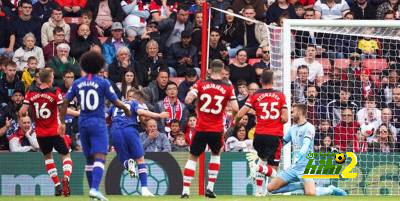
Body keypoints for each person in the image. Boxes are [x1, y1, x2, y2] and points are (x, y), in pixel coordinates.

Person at [59, 51, 131, 201]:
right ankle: (94, 189)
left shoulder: (77, 83)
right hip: (97, 122)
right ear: (99, 66)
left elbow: (65, 102)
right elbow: (116, 101)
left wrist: (61, 122)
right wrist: (125, 108)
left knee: (89, 159)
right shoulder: (103, 82)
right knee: (100, 155)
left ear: (84, 65)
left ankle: (93, 194)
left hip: (83, 122)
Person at [249, 104, 347, 196]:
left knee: (311, 194)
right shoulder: (292, 128)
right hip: (294, 168)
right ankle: (300, 185)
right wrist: (268, 149)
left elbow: (306, 144)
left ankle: (330, 189)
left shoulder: (309, 127)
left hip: (306, 167)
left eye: (293, 112)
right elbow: (282, 143)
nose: (291, 115)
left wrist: (298, 156)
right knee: (270, 188)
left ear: (300, 113)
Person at [181, 59, 239, 198]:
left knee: (193, 157)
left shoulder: (201, 83)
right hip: (217, 129)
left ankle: (185, 191)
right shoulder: (228, 87)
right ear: (222, 70)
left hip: (201, 128)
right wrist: (232, 122)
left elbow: (188, 100)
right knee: (216, 154)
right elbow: (236, 108)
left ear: (210, 70)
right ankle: (210, 188)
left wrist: (194, 94)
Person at [19, 68, 73, 197]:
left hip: (41, 134)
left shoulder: (31, 92)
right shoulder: (55, 91)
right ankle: (66, 178)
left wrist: (26, 119)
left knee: (48, 157)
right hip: (55, 131)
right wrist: (63, 122)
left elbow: (22, 111)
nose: (53, 78)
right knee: (66, 155)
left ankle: (57, 186)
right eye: (53, 76)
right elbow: (62, 108)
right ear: (50, 79)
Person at [236, 69, 288, 196]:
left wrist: (236, 122)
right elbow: (285, 118)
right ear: (273, 81)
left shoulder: (255, 95)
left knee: (262, 161)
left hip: (258, 135)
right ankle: (256, 168)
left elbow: (241, 113)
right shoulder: (280, 95)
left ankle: (259, 192)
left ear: (261, 81)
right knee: (273, 171)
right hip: (274, 135)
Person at [108, 89, 168, 196]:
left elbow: (106, 117)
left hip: (115, 130)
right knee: (140, 159)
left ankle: (128, 164)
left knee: (123, 157)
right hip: (130, 129)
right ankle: (144, 189)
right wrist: (158, 115)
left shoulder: (115, 105)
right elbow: (141, 112)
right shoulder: (134, 103)